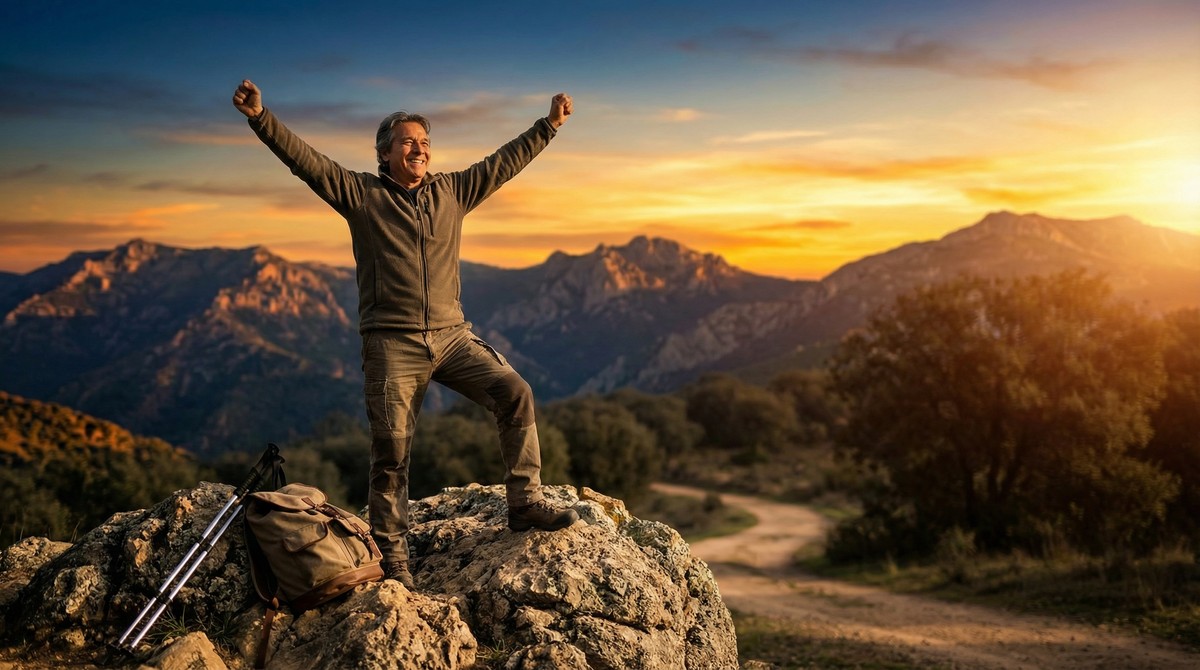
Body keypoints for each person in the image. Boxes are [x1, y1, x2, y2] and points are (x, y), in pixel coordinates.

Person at [232, 79, 579, 590]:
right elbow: (305, 160)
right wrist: (262, 118)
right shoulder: (361, 194)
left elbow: (504, 162)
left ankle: (525, 503)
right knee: (392, 453)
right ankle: (393, 559)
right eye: (408, 142)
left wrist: (547, 127)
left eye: (425, 143)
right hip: (392, 344)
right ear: (385, 152)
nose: (419, 149)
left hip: (453, 337)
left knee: (516, 394)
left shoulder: (453, 191)